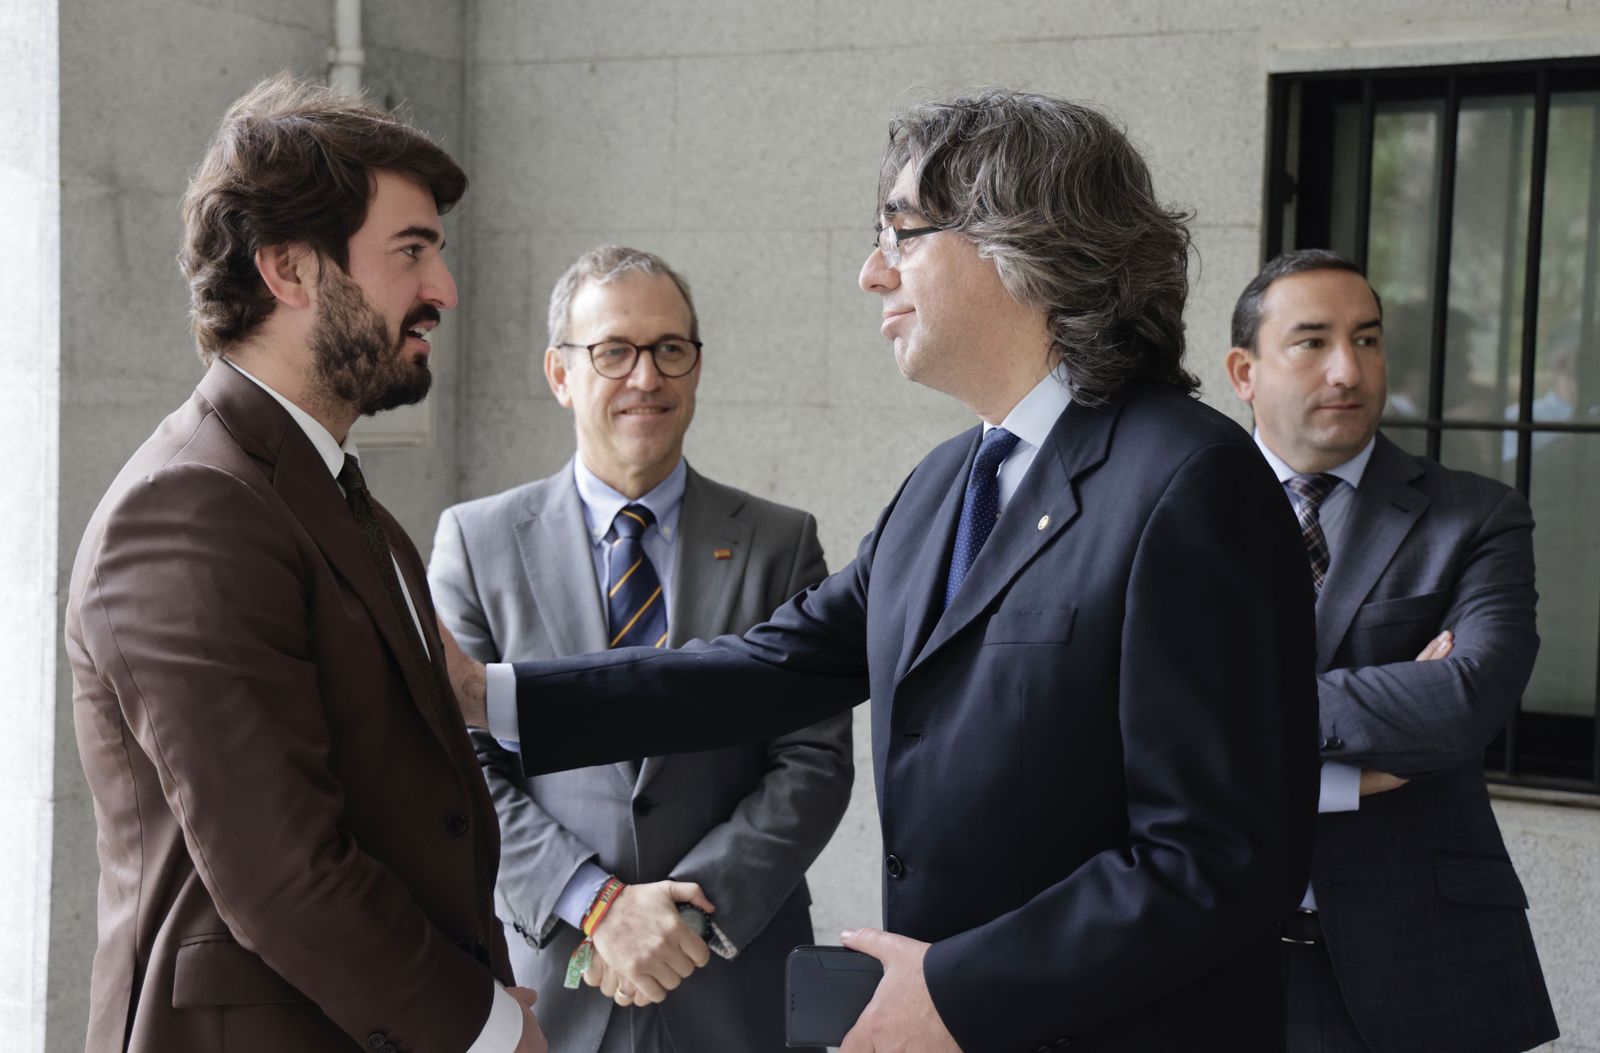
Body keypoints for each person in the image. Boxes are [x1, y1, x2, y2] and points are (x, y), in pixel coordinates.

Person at [443, 90, 1320, 1052]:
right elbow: (772, 667)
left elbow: (1220, 862)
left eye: (900, 233)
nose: (870, 272)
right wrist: (490, 695)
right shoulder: (945, 482)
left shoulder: (1192, 482)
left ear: (1022, 243)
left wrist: (959, 987)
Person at [65, 75, 545, 1053]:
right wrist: (487, 1029)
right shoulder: (187, 510)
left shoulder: (321, 489)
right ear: (290, 271)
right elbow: (285, 876)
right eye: (410, 252)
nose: (442, 291)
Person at [428, 244, 853, 1052]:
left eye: (670, 349)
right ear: (560, 373)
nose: (646, 377)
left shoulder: (778, 542)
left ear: (696, 366)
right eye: (614, 350)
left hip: (730, 982)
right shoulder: (475, 542)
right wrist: (599, 905)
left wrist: (682, 916)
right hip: (553, 980)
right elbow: (460, 764)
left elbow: (813, 760)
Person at [1223, 248, 1559, 1053]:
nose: (1349, 368)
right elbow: (1122, 716)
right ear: (1244, 371)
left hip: (1428, 964)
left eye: (1367, 340)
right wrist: (1353, 770)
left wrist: (1231, 725)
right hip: (1216, 962)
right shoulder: (1178, 514)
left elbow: (1464, 701)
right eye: (1312, 342)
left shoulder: (1477, 517)